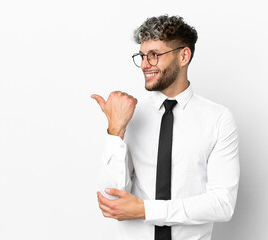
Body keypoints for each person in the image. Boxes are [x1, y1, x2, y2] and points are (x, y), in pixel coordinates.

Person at [91, 15, 240, 240]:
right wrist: (115, 130)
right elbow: (110, 202)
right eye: (142, 56)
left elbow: (222, 204)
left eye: (154, 56)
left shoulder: (218, 119)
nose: (144, 64)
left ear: (183, 56)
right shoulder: (131, 113)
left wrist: (146, 210)